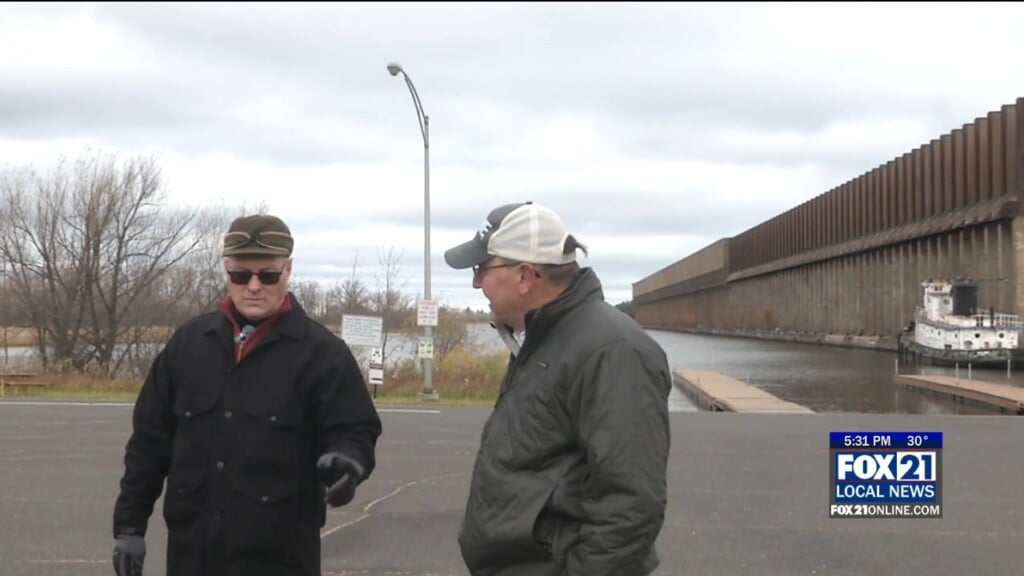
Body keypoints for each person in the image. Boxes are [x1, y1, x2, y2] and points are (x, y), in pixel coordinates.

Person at [111, 214, 382, 576]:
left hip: (281, 558)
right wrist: (129, 527)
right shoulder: (188, 345)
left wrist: (349, 462)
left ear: (287, 269)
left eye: (267, 275)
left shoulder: (323, 354)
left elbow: (355, 430)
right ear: (226, 271)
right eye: (241, 275)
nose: (253, 286)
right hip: (192, 556)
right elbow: (148, 444)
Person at [444, 201, 672, 576]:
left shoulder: (613, 352)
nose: (475, 283)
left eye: (482, 268)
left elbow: (630, 507)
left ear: (525, 276)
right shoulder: (541, 341)